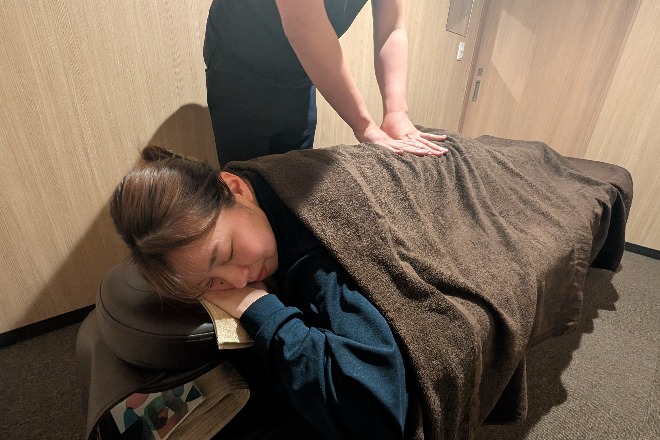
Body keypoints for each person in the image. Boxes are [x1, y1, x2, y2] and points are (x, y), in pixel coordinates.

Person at [110, 132, 630, 438]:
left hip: (472, 174)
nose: (237, 280)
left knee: (529, 169)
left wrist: (259, 308)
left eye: (225, 255)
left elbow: (376, 410)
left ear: (235, 185)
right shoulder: (257, 201)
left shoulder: (317, 253)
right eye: (211, 282)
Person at [203, 0, 447, 164]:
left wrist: (396, 113)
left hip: (299, 69)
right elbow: (305, 28)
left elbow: (391, 28)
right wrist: (365, 126)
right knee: (247, 184)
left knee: (293, 175)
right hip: (240, 61)